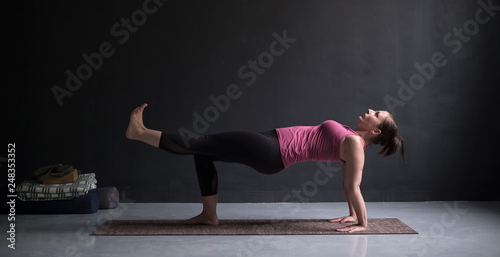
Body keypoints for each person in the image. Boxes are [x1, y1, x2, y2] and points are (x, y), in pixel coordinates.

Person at [125, 103, 405, 233]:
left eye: (376, 114)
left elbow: (353, 186)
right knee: (203, 153)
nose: (370, 110)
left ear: (376, 131)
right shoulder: (352, 139)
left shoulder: (355, 145)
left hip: (273, 152)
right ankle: (209, 216)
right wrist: (350, 213)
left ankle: (139, 133)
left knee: (201, 142)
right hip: (272, 141)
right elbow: (347, 184)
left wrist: (361, 223)